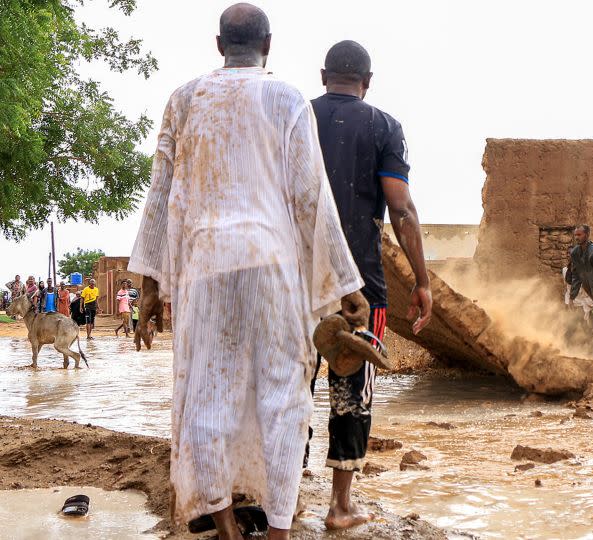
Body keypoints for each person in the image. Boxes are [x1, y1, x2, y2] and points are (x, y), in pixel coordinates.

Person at [127, 5, 368, 538]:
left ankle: (227, 529)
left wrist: (148, 285)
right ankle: (280, 530)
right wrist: (347, 284)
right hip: (272, 266)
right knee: (283, 400)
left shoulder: (184, 99)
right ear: (269, 45)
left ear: (219, 45)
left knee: (207, 402)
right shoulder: (286, 98)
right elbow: (311, 196)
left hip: (205, 268)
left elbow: (161, 195)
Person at [309, 39, 433, 530]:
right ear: (368, 82)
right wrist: (422, 282)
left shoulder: (295, 118)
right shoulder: (384, 127)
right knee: (352, 389)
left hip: (295, 284)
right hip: (360, 287)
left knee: (289, 386)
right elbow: (400, 209)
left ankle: (283, 498)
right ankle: (341, 506)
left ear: (323, 77)